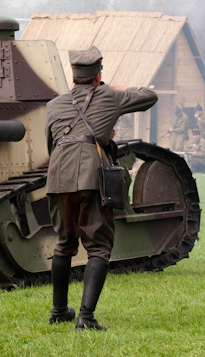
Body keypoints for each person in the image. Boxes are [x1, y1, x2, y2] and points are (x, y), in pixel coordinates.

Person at [45, 46, 157, 331]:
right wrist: (116, 88)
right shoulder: (109, 95)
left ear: (74, 76)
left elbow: (51, 144)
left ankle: (59, 310)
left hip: (58, 175)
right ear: (97, 76)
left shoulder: (55, 104)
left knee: (64, 243)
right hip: (92, 174)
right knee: (98, 246)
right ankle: (85, 317)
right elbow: (149, 96)